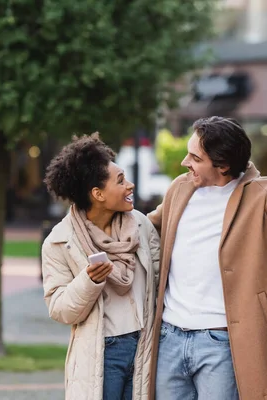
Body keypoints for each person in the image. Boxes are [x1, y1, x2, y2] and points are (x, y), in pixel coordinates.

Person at [147, 100, 267, 400]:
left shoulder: (261, 196)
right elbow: (145, 230)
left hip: (221, 342)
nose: (185, 163)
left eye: (195, 157)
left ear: (222, 165)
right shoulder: (179, 189)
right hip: (170, 337)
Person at [41, 133, 160, 400]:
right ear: (98, 194)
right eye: (120, 181)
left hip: (145, 346)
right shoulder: (59, 242)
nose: (129, 186)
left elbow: (160, 281)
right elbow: (60, 309)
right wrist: (89, 281)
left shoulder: (141, 225)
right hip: (102, 353)